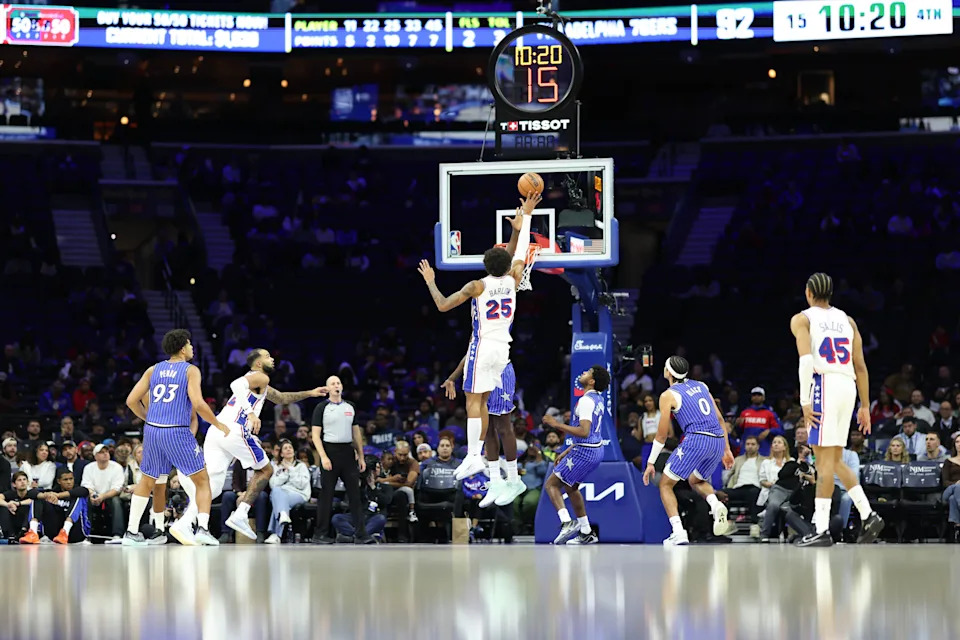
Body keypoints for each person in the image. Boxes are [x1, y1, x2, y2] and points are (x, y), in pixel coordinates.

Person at [418, 191, 540, 481]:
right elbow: (519, 253)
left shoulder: (477, 286)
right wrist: (523, 223)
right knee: (483, 402)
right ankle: (476, 456)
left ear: (486, 266)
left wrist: (431, 283)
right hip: (503, 350)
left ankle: (474, 456)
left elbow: (443, 305)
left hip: (483, 347)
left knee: (472, 402)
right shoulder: (514, 279)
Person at [176, 348, 326, 542]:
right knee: (266, 470)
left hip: (218, 430)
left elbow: (281, 398)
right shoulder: (260, 377)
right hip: (235, 429)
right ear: (257, 363)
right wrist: (251, 413)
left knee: (213, 486)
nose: (272, 359)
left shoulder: (258, 383)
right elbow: (234, 384)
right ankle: (241, 514)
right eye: (267, 356)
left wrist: (311, 393)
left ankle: (185, 523)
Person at [790, 273, 883, 547]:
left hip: (824, 385)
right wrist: (865, 405)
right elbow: (861, 365)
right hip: (848, 386)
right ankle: (869, 515)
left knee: (823, 462)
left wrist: (805, 401)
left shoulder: (802, 319)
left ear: (808, 292)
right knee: (836, 460)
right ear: (831, 294)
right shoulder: (848, 320)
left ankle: (820, 529)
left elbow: (806, 361)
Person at [122, 329, 229, 546]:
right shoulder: (191, 370)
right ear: (182, 348)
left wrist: (149, 418)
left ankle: (131, 533)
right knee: (202, 481)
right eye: (190, 344)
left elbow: (131, 400)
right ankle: (202, 529)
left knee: (147, 480)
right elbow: (198, 404)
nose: (192, 348)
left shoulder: (153, 370)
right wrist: (218, 423)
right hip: (176, 431)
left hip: (152, 431)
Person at [643, 356, 735, 546]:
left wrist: (651, 462)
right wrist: (727, 449)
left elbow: (661, 436)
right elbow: (719, 419)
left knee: (666, 485)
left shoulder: (668, 395)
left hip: (696, 439)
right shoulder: (701, 385)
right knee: (696, 480)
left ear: (668, 372)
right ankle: (715, 504)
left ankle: (679, 532)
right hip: (717, 440)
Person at [442, 356, 525, 510]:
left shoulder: (496, 332)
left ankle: (514, 480)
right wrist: (452, 377)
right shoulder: (476, 333)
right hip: (482, 371)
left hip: (499, 370)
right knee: (486, 427)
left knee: (503, 426)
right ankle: (495, 482)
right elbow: (471, 352)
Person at [541, 364, 611, 545]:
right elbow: (592, 434)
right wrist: (567, 450)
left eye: (587, 373)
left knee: (551, 486)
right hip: (594, 450)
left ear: (592, 381)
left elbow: (584, 431)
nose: (583, 373)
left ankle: (566, 522)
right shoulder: (597, 398)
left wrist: (555, 424)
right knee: (571, 488)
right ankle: (586, 532)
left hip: (585, 451)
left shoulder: (586, 401)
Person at [311, 375, 374, 544]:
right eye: (333, 383)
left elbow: (356, 434)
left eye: (338, 382)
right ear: (327, 388)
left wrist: (361, 456)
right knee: (326, 495)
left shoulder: (350, 407)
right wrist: (323, 457)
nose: (336, 385)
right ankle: (320, 534)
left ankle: (361, 534)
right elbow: (315, 435)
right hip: (329, 451)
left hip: (347, 452)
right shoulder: (321, 407)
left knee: (355, 495)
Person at [265, 440, 311, 544]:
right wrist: (285, 473)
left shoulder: (301, 466)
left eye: (290, 447)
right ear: (281, 453)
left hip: (299, 494)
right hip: (281, 493)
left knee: (279, 500)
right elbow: (273, 485)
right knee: (277, 493)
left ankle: (275, 534)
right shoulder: (277, 467)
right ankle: (282, 515)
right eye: (285, 448)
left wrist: (290, 469)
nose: (289, 449)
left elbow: (301, 484)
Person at [37, 470, 91, 545]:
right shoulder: (53, 491)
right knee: (41, 499)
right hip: (56, 534)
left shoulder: (79, 490)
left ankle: (65, 530)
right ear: (59, 481)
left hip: (77, 534)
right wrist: (46, 495)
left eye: (71, 479)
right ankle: (33, 532)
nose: (69, 482)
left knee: (79, 498)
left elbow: (85, 491)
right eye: (65, 479)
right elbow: (31, 493)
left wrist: (58, 495)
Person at [0, 471, 44, 543]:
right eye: (19, 480)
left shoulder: (32, 492)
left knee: (31, 505)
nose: (22, 482)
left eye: (24, 479)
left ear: (28, 482)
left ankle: (24, 531)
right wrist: (8, 505)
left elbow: (33, 500)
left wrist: (18, 503)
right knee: (3, 508)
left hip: (27, 524)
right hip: (15, 521)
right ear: (14, 484)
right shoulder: (11, 493)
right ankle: (10, 534)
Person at [941, 433, 960, 541]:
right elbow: (945, 482)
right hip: (949, 491)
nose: (959, 444)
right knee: (958, 488)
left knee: (954, 499)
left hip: (954, 496)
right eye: (957, 442)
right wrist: (957, 484)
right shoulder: (948, 462)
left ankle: (957, 527)